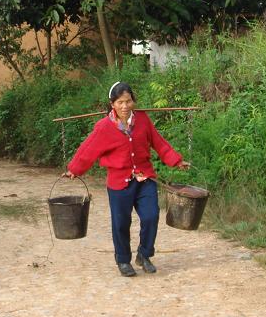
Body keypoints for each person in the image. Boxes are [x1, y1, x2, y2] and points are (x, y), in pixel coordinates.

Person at [64, 81, 190, 277]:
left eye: (128, 101)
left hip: (144, 179)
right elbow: (88, 150)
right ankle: (123, 260)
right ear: (112, 104)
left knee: (151, 216)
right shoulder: (104, 127)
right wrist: (74, 169)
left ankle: (144, 254)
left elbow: (159, 142)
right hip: (118, 182)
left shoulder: (143, 121)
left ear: (133, 101)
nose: (125, 106)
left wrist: (176, 160)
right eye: (120, 102)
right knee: (121, 222)